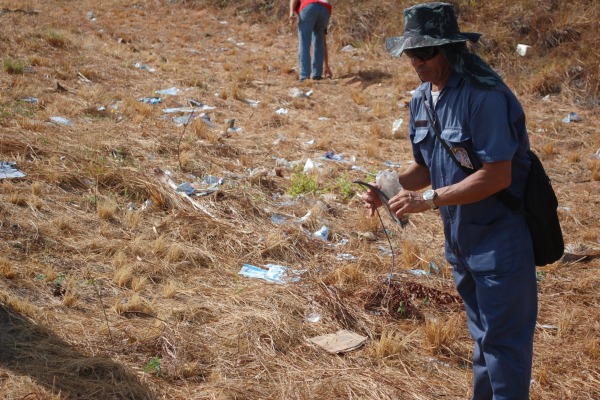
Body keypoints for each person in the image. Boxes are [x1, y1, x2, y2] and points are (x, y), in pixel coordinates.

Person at [363, 3, 537, 399]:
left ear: (451, 49)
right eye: (411, 54)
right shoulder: (422, 99)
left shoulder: (485, 96)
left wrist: (429, 199)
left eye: (425, 53)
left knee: (503, 347)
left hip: (500, 241)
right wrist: (386, 187)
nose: (417, 62)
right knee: (483, 343)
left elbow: (498, 175)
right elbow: (425, 167)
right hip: (461, 241)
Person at [289, 0, 333, 81]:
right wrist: (326, 65)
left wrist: (291, 12)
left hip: (309, 6)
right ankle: (317, 74)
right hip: (326, 8)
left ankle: (304, 76)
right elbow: (324, 43)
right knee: (319, 40)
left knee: (304, 42)